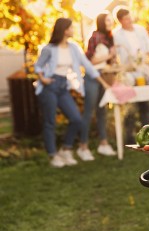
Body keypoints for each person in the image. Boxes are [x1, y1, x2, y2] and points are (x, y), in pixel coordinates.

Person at [34, 18, 109, 168]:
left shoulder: (74, 48)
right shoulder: (49, 49)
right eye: (71, 27)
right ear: (64, 30)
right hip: (49, 86)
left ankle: (66, 149)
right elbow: (38, 66)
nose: (73, 29)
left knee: (76, 119)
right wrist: (43, 78)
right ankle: (53, 155)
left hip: (62, 86)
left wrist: (103, 82)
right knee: (50, 122)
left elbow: (88, 66)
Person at [113, 7, 149, 144]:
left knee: (145, 104)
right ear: (120, 21)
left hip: (143, 71)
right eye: (126, 19)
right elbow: (114, 55)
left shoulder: (140, 30)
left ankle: (148, 135)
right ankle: (130, 136)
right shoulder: (116, 35)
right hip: (129, 73)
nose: (129, 20)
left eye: (129, 17)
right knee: (130, 104)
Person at [77, 12, 117, 161]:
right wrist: (109, 55)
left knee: (102, 111)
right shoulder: (94, 37)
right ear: (101, 21)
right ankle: (83, 146)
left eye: (111, 20)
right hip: (92, 78)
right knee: (89, 111)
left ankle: (103, 143)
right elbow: (90, 61)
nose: (110, 22)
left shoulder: (109, 38)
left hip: (105, 76)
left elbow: (108, 62)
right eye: (107, 20)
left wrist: (113, 58)